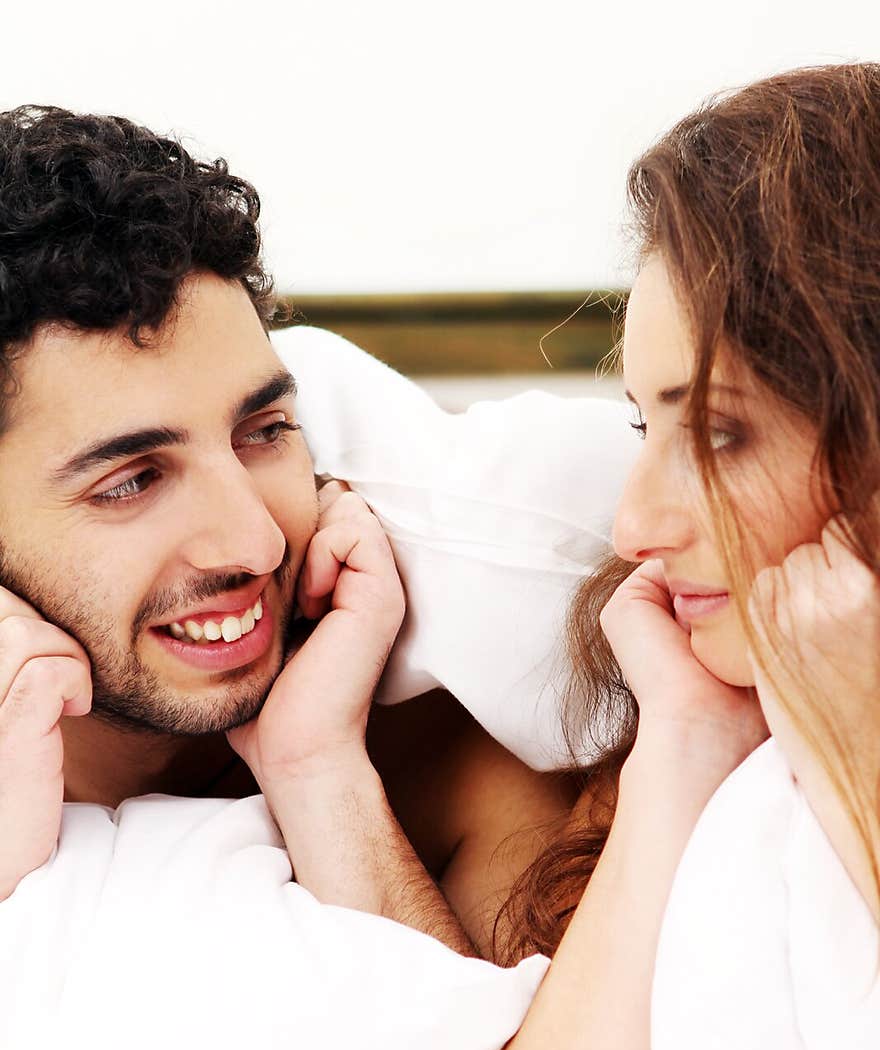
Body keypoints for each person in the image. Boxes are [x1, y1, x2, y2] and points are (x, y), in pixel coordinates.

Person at [436, 62, 880, 1050]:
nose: (635, 525)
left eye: (722, 431)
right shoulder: (745, 781)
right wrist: (681, 753)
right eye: (645, 425)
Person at [0, 104, 578, 959]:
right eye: (131, 481)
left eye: (264, 431)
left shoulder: (455, 773)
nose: (256, 544)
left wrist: (320, 775)